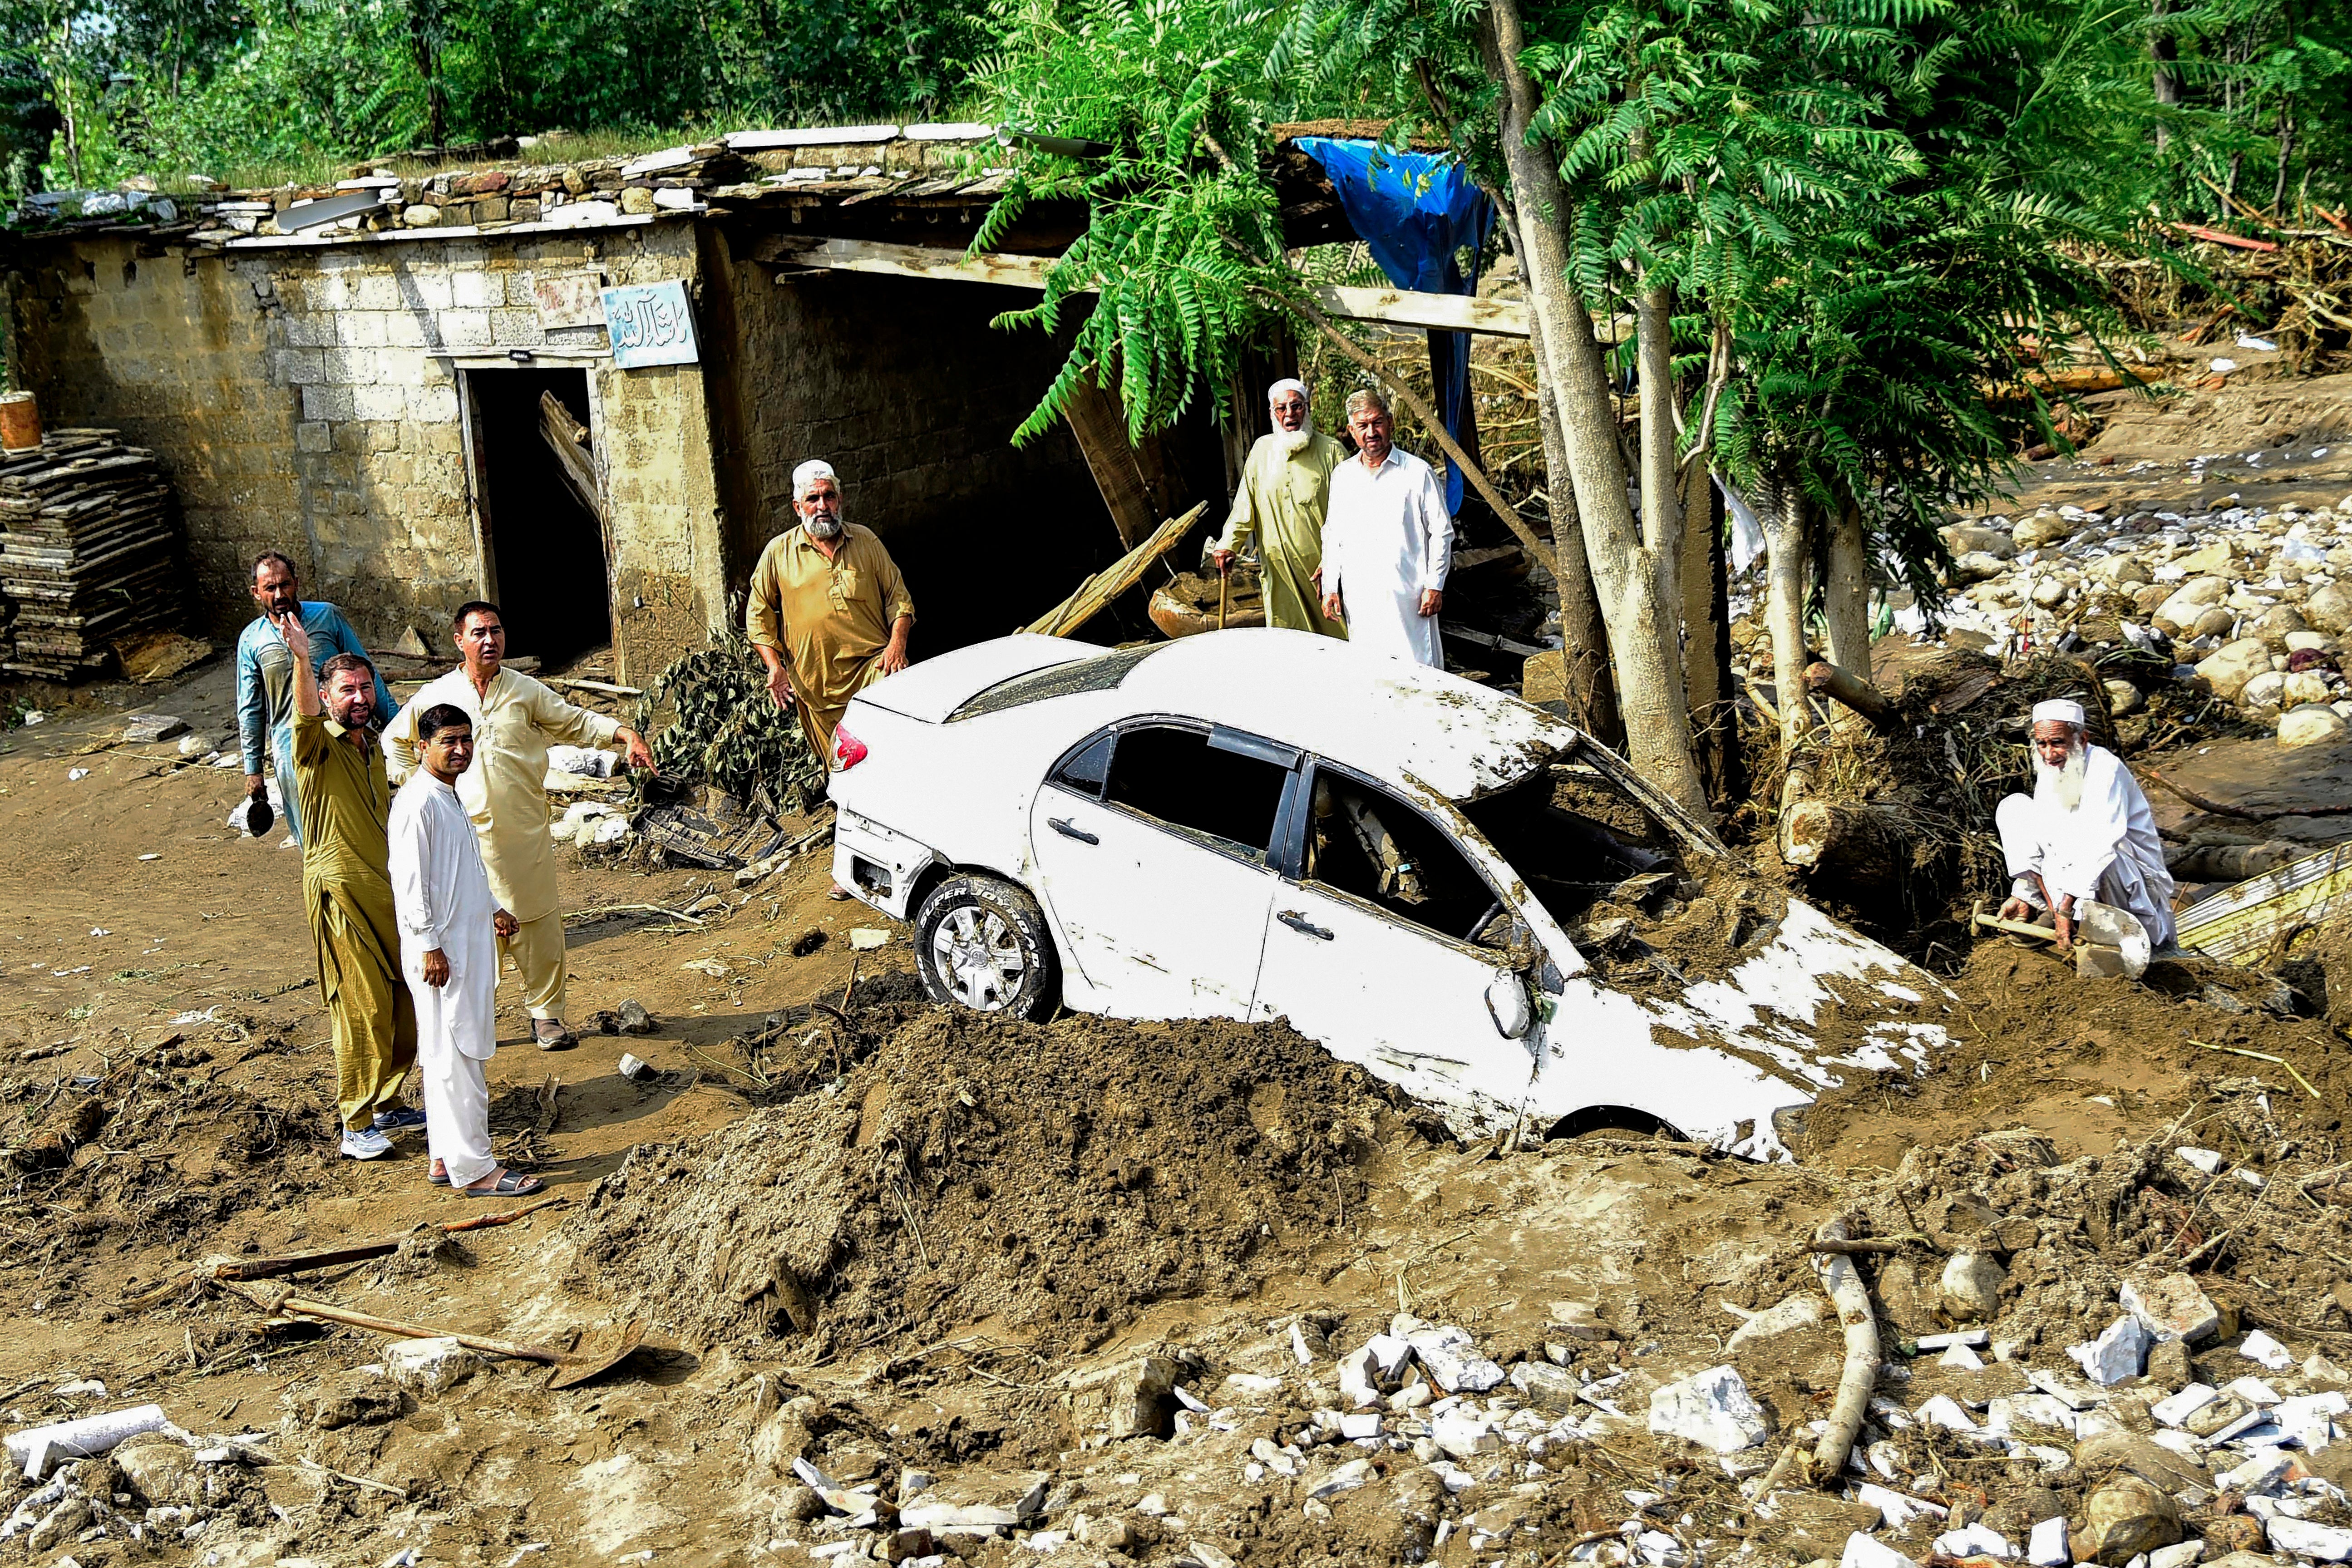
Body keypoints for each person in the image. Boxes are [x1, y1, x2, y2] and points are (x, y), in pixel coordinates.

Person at [385, 602, 654, 1050]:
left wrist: (622, 734)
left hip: (525, 831)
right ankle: (474, 1019)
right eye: (478, 633)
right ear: (459, 641)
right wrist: (417, 786)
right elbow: (394, 740)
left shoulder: (525, 691)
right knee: (474, 930)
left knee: (539, 923)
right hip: (466, 840)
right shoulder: (436, 695)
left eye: (496, 630)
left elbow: (574, 720)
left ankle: (547, 1016)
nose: (489, 640)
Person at [278, 615, 419, 1159]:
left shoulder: (374, 745)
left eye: (365, 687)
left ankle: (387, 1102)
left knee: (404, 1004)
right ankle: (355, 1123)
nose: (359, 697)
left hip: (388, 896)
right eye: (347, 690)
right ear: (325, 695)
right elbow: (305, 713)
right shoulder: (316, 744)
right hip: (342, 899)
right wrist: (301, 660)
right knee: (361, 1009)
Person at [390, 703, 542, 1198]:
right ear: (423, 748)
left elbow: (461, 870)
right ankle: (476, 1169)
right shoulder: (418, 803)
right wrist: (431, 946)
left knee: (444, 1056)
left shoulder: (448, 796)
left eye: (465, 740)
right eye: (448, 742)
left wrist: (493, 907)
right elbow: (412, 884)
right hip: (442, 955)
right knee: (458, 1058)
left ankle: (444, 1156)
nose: (459, 750)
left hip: (460, 944)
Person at [236, 552, 399, 844]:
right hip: (292, 750)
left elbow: (366, 672)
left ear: (297, 583)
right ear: (256, 593)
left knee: (367, 822)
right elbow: (251, 709)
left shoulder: (327, 617)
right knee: (311, 833)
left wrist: (400, 728)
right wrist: (254, 769)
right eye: (270, 588)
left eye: (285, 585)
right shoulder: (251, 640)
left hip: (345, 737)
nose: (279, 594)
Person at [1996, 699, 2178, 949]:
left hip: (2123, 873)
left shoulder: (2105, 768)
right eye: (2042, 744)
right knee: (2014, 807)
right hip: (2068, 879)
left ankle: (2093, 923)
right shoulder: (2050, 768)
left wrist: (2067, 907)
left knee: (2105, 857)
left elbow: (2100, 841)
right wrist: (2025, 894)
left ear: (2081, 739)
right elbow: (2044, 837)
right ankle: (2054, 910)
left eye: (2058, 743)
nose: (2049, 754)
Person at [1320, 389, 1453, 668]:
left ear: (1390, 423)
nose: (1371, 432)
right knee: (1372, 674)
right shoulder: (1343, 476)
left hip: (1410, 597)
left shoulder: (1417, 472)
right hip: (1361, 598)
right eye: (1363, 425)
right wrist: (1331, 586)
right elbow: (1333, 534)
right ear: (1351, 431)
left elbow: (1442, 531)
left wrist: (1434, 585)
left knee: (1420, 673)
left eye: (1377, 422)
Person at [1210, 378, 1347, 637]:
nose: (1290, 415)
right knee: (1288, 642)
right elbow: (1244, 505)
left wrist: (1334, 564)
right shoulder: (1262, 450)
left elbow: (1351, 516)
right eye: (1281, 408)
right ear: (1273, 414)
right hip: (1280, 573)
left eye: (1296, 406)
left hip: (1324, 575)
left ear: (1308, 409)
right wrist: (1229, 544)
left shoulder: (1332, 452)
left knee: (1338, 641)